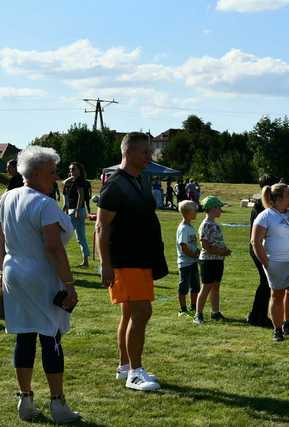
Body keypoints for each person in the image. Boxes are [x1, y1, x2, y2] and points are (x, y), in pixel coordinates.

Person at [0, 146, 80, 423]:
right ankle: (58, 403)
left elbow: (0, 240)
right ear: (35, 174)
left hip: (13, 271)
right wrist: (69, 284)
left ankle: (25, 399)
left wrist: (0, 273)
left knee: (24, 335)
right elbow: (53, 247)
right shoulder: (45, 204)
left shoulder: (6, 198)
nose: (56, 177)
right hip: (40, 274)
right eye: (52, 172)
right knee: (50, 335)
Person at [96, 132, 168, 392]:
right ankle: (135, 373)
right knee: (141, 312)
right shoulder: (115, 185)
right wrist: (105, 264)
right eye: (145, 153)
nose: (149, 157)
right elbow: (102, 227)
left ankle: (125, 366)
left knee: (130, 313)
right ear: (129, 153)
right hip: (125, 260)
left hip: (140, 258)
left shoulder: (138, 181)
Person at [251, 183, 289, 342]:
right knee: (277, 295)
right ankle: (277, 329)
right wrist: (266, 262)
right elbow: (255, 241)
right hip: (275, 262)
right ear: (278, 199)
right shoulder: (266, 216)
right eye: (288, 195)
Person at [246, 174, 278, 328]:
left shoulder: (262, 204)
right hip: (259, 247)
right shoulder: (262, 205)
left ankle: (257, 315)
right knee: (266, 282)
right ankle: (256, 315)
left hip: (258, 247)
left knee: (266, 283)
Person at [193, 196, 231, 324]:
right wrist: (221, 251)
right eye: (219, 207)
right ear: (212, 209)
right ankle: (198, 314)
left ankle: (215, 312)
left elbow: (217, 242)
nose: (221, 210)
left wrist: (224, 250)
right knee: (206, 287)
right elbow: (205, 245)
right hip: (208, 261)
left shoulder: (215, 224)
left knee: (216, 286)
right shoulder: (206, 225)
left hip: (218, 260)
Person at [63, 162, 91, 268]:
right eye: (70, 170)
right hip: (76, 210)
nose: (71, 171)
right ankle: (85, 262)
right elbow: (63, 182)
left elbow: (81, 196)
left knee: (63, 235)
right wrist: (71, 177)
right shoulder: (76, 180)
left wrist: (77, 210)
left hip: (76, 211)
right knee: (81, 237)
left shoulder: (79, 181)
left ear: (79, 170)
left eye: (73, 169)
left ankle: (59, 261)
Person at [176, 200, 200, 316]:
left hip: (193, 262)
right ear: (187, 213)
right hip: (185, 263)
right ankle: (183, 308)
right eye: (194, 210)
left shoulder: (190, 226)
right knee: (184, 286)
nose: (196, 212)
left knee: (195, 286)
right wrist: (193, 255)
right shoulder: (184, 228)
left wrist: (197, 252)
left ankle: (194, 306)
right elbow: (183, 246)